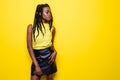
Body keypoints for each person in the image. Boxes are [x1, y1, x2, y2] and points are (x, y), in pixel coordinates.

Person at [27, 3, 57, 80]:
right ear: (40, 13)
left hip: (49, 59)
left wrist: (55, 52)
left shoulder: (52, 29)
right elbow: (29, 47)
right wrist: (36, 65)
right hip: (37, 58)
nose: (49, 14)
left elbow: (51, 45)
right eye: (47, 12)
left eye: (50, 12)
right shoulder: (31, 27)